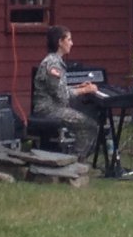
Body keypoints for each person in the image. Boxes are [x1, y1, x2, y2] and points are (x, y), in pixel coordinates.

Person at [32, 25, 100, 161]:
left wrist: (78, 86)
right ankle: (73, 161)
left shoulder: (56, 61)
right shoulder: (53, 65)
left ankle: (75, 159)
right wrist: (85, 90)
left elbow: (59, 89)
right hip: (48, 109)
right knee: (89, 126)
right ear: (59, 42)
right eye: (69, 39)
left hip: (54, 106)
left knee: (90, 123)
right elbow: (62, 96)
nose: (72, 43)